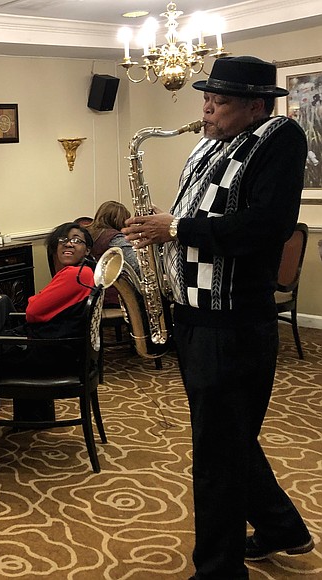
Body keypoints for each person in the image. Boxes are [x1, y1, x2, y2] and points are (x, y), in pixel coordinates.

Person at [122, 56, 314, 579]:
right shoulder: (208, 142)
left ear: (255, 104)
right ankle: (281, 528)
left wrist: (177, 229)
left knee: (216, 457)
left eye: (220, 100)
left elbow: (265, 227)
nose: (206, 107)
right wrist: (160, 231)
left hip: (232, 324)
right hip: (193, 317)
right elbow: (202, 215)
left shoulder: (280, 138)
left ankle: (218, 569)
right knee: (227, 437)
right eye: (206, 97)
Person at [0, 222, 95, 450]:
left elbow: (33, 311)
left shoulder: (75, 275)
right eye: (63, 239)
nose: (68, 244)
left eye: (76, 240)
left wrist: (37, 302)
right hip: (62, 348)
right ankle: (24, 416)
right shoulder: (84, 272)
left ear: (87, 249)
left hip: (52, 352)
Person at [87, 201, 139, 306]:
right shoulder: (114, 238)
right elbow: (136, 265)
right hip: (114, 296)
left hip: (93, 293)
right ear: (117, 220)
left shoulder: (89, 233)